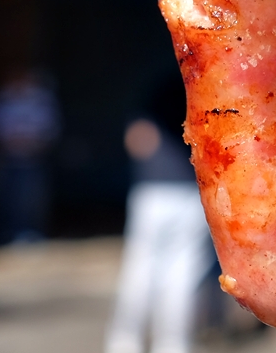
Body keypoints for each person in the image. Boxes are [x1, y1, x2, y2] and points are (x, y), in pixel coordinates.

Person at [105, 76, 213, 353]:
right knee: (184, 272)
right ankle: (173, 344)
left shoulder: (157, 90)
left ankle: (125, 341)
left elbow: (139, 139)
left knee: (141, 267)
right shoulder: (206, 90)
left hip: (154, 191)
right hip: (191, 192)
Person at [0, 68, 61, 244]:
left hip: (33, 159)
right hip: (7, 159)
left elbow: (50, 128)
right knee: (6, 199)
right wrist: (8, 142)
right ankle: (6, 234)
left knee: (31, 200)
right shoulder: (2, 99)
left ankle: (31, 234)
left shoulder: (40, 99)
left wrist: (32, 142)